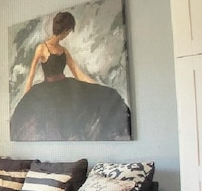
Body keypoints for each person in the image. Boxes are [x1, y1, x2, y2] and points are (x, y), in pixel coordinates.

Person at [10, 11, 131, 141]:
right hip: (48, 92)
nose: (67, 34)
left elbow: (77, 73)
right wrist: (27, 97)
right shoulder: (42, 48)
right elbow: (31, 74)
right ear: (64, 30)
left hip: (66, 88)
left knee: (107, 96)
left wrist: (97, 86)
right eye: (68, 31)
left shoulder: (64, 51)